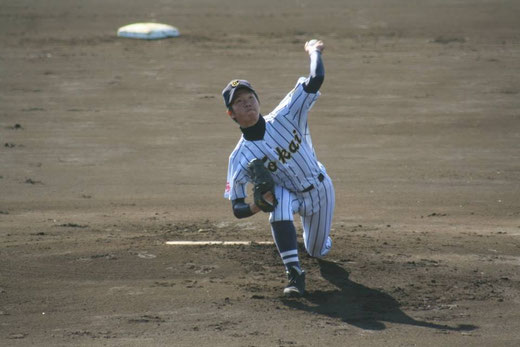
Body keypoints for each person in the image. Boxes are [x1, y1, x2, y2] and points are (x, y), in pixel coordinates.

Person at [222, 40, 335, 297]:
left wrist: (314, 51)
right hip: (288, 192)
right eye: (240, 102)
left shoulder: (285, 115)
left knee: (316, 250)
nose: (247, 103)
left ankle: (314, 241)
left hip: (319, 187)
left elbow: (316, 79)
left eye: (250, 98)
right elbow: (237, 208)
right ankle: (294, 273)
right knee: (278, 204)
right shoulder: (238, 157)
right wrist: (256, 206)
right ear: (231, 114)